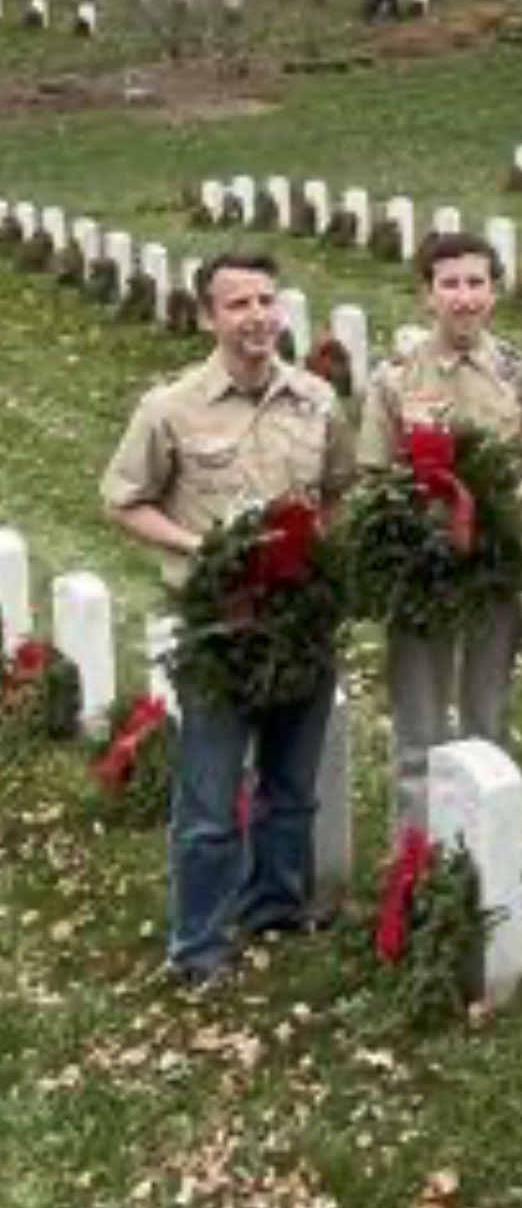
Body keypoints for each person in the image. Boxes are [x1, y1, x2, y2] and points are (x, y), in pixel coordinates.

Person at [101, 251, 355, 986]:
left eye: (266, 301)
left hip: (301, 618)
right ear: (209, 316)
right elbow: (123, 500)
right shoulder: (170, 409)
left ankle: (275, 903)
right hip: (220, 626)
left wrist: (317, 551)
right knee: (211, 799)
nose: (256, 317)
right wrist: (198, 545)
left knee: (292, 785)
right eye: (237, 304)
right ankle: (200, 945)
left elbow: (337, 488)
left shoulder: (315, 399)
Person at [359, 232, 522, 831]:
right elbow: (374, 476)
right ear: (426, 296)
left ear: (494, 293)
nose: (464, 298)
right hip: (422, 575)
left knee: (487, 724)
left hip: (494, 574)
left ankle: (487, 860)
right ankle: (417, 867)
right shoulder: (395, 380)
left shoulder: (518, 372)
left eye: (477, 283)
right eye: (450, 284)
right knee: (419, 733)